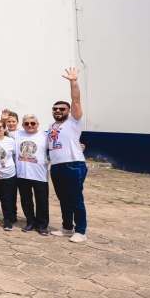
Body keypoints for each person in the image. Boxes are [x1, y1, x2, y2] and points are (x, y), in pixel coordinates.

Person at [49, 68, 89, 243]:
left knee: (75, 199)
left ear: (69, 111)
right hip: (57, 167)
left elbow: (76, 100)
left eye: (62, 108)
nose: (58, 110)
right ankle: (67, 227)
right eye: (55, 108)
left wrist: (73, 82)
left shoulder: (74, 121)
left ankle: (81, 231)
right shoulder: (52, 126)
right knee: (63, 199)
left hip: (73, 164)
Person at [13, 114, 50, 235]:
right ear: (22, 125)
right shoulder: (17, 134)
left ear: (37, 124)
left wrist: (79, 145)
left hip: (40, 175)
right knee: (26, 201)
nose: (30, 125)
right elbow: (0, 130)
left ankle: (42, 225)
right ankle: (30, 222)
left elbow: (61, 143)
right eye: (27, 123)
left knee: (42, 201)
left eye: (32, 123)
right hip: (22, 175)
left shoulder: (45, 136)